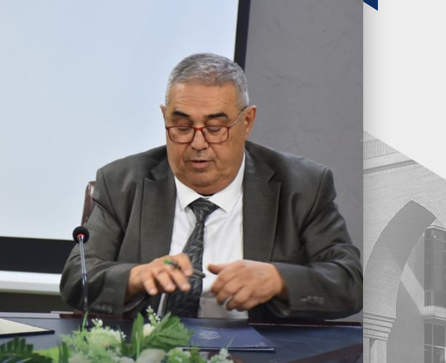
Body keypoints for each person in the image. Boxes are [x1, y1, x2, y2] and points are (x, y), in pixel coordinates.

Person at [60, 53, 361, 321]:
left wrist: (279, 280)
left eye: (215, 128)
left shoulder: (301, 187)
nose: (198, 143)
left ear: (247, 122)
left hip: (265, 362)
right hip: (149, 356)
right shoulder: (123, 183)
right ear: (165, 118)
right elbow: (77, 279)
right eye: (182, 127)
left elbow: (351, 282)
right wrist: (136, 276)